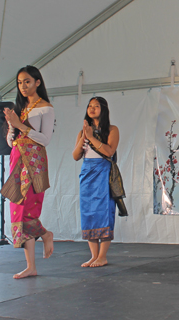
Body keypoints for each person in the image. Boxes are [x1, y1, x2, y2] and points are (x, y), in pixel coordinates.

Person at [2, 65, 55, 279]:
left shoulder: (46, 108)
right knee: (17, 211)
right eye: (20, 82)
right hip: (17, 162)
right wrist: (11, 127)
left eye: (27, 81)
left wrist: (20, 125)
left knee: (28, 211)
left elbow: (45, 140)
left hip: (34, 164)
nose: (23, 86)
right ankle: (31, 265)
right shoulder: (21, 108)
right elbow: (11, 142)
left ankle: (44, 234)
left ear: (37, 82)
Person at [72, 97, 119, 267]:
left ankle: (102, 256)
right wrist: (84, 137)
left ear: (103, 109)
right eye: (89, 106)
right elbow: (76, 156)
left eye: (96, 106)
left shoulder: (112, 129)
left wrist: (91, 138)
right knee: (88, 213)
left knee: (104, 212)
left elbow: (109, 151)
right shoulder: (83, 131)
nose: (92, 109)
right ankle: (93, 255)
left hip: (103, 172)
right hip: (87, 173)